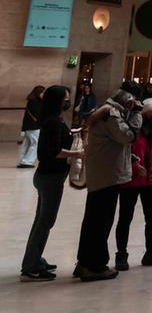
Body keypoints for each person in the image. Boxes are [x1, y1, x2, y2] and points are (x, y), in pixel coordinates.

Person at [74, 81, 143, 281]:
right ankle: (96, 265)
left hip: (104, 172)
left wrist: (130, 157)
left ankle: (84, 262)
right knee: (100, 222)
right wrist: (137, 114)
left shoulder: (108, 110)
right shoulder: (110, 114)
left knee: (94, 220)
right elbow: (128, 136)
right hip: (107, 176)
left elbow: (114, 143)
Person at [20, 85, 79, 282]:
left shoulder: (52, 120)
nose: (68, 102)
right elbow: (56, 152)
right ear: (58, 101)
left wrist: (74, 131)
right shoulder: (53, 122)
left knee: (41, 221)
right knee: (45, 222)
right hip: (51, 178)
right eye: (66, 99)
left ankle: (34, 259)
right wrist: (78, 154)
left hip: (47, 176)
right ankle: (31, 266)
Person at [114, 98, 152, 271]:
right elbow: (124, 151)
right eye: (147, 114)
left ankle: (151, 251)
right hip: (130, 181)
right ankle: (121, 254)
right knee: (125, 218)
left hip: (151, 180)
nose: (150, 118)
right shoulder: (131, 130)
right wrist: (135, 166)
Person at [17, 85, 46, 168]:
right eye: (43, 93)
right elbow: (38, 114)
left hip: (29, 126)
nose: (44, 95)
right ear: (39, 93)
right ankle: (27, 162)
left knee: (27, 144)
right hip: (34, 126)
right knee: (35, 143)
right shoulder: (36, 102)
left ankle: (22, 160)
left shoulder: (31, 101)